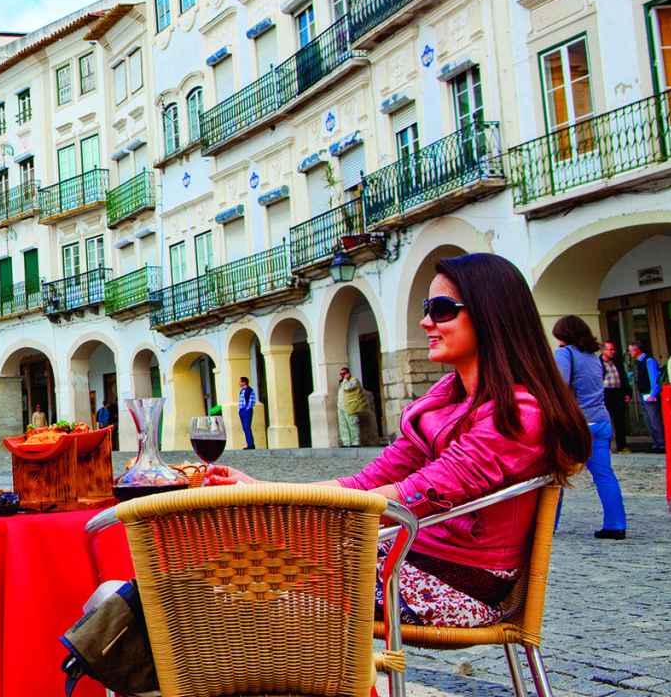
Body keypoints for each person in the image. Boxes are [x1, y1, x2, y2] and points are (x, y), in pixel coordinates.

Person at [209, 253, 590, 627]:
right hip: (409, 555)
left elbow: (417, 493)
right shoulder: (447, 400)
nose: (425, 321)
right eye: (427, 308)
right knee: (220, 556)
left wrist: (275, 506)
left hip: (457, 584)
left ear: (492, 316)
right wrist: (264, 490)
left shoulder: (518, 414)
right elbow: (366, 482)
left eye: (442, 309)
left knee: (241, 568)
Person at [552, 316, 627, 539]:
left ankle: (548, 525)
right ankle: (616, 525)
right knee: (605, 475)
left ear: (564, 334)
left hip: (576, 424)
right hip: (601, 421)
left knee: (554, 475)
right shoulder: (594, 357)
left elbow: (560, 386)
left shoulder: (565, 354)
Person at [628, 341, 665, 453]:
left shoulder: (648, 360)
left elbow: (654, 378)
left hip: (649, 393)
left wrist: (653, 394)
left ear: (637, 350)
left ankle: (662, 443)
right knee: (648, 419)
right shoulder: (637, 362)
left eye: (630, 350)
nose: (629, 353)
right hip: (642, 393)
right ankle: (656, 443)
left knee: (654, 419)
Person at [600, 342, 630, 454]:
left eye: (613, 349)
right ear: (603, 350)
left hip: (618, 393)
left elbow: (624, 377)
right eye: (610, 349)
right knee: (605, 421)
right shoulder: (598, 363)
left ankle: (622, 446)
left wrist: (627, 393)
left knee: (620, 420)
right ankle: (605, 447)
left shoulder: (617, 362)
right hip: (605, 394)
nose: (613, 351)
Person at [336, 367, 367, 447]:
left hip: (351, 406)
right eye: (341, 374)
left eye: (344, 373)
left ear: (348, 373)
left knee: (352, 425)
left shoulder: (354, 380)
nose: (342, 375)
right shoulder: (342, 382)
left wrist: (345, 379)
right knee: (343, 426)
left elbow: (348, 388)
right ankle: (346, 442)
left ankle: (355, 442)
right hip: (341, 407)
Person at [236, 377, 257, 450]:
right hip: (242, 411)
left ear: (244, 382)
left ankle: (251, 445)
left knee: (247, 427)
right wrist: (239, 410)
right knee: (245, 428)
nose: (239, 383)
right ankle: (249, 444)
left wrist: (247, 409)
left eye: (240, 381)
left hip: (246, 411)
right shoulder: (242, 391)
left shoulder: (250, 390)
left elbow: (252, 401)